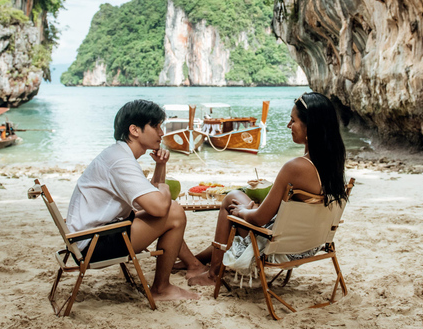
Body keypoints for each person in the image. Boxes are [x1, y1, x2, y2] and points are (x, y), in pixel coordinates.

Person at [188, 92, 349, 286]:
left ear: (310, 126)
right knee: (239, 198)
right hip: (309, 244)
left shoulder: (295, 167)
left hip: (280, 247)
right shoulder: (333, 163)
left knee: (231, 201)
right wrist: (249, 210)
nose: (289, 126)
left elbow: (259, 219)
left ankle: (213, 274)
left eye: (293, 120)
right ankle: (195, 260)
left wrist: (244, 212)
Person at [66, 99, 206, 301]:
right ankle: (162, 288)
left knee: (167, 211)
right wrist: (165, 188)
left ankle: (191, 265)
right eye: (156, 126)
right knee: (174, 211)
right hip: (92, 244)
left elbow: (148, 202)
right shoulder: (120, 161)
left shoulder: (119, 155)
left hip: (91, 235)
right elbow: (158, 207)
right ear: (135, 130)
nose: (161, 133)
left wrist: (160, 166)